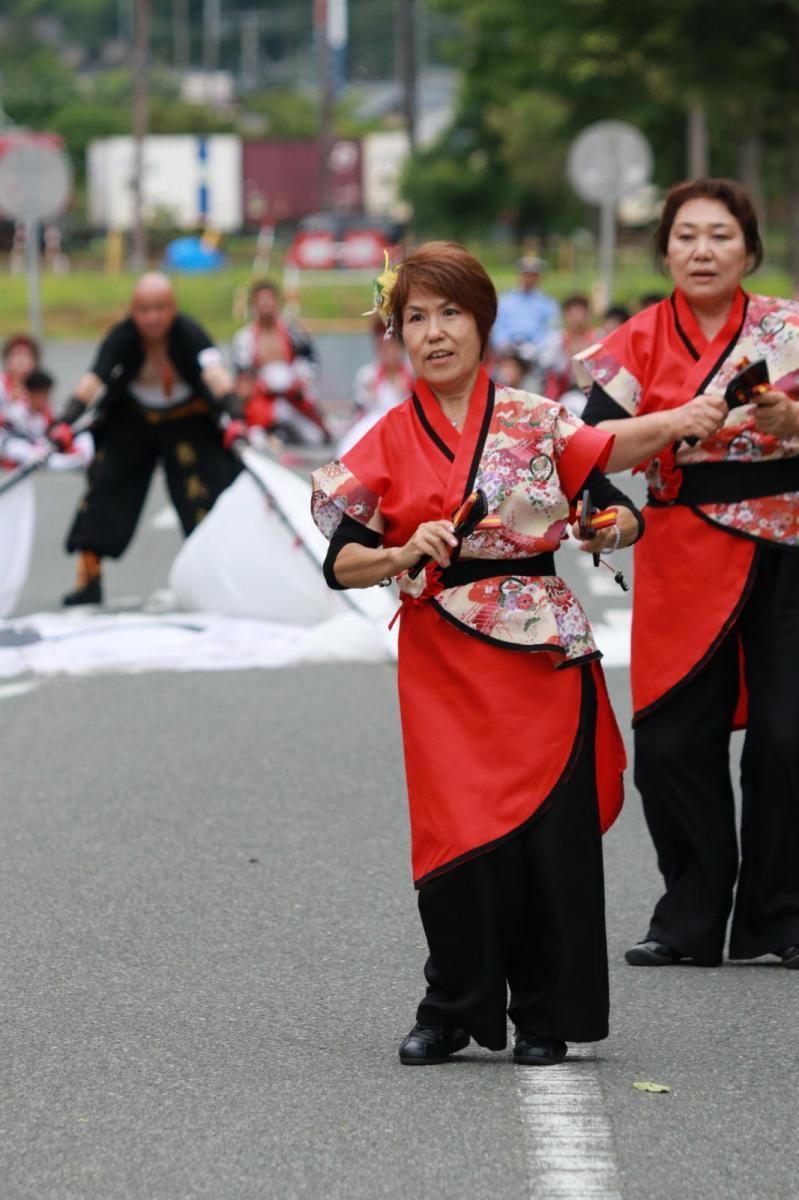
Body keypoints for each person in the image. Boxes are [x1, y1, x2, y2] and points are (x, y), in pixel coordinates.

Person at [311, 242, 643, 1066]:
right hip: (441, 656)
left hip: (540, 651)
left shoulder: (540, 418)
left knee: (549, 839)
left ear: (481, 321)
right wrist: (397, 554)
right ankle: (452, 1004)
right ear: (396, 336)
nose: (433, 332)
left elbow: (613, 509)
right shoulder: (384, 437)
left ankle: (544, 1014)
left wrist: (611, 528)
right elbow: (339, 562)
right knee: (452, 833)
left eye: (449, 313)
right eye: (414, 317)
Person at [575, 177, 799, 971]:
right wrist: (665, 431)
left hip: (785, 545)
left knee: (786, 734)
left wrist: (788, 419)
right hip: (678, 550)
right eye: (685, 236)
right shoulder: (635, 341)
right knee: (671, 740)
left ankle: (780, 917)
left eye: (720, 236)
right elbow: (590, 452)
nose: (701, 251)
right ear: (664, 248)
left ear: (749, 249)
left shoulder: (787, 328)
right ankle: (689, 914)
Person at [57, 273, 245, 606]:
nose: (152, 318)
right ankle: (89, 576)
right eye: (144, 310)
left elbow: (216, 375)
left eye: (160, 308)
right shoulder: (122, 337)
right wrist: (65, 421)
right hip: (134, 419)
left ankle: (212, 576)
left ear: (173, 308)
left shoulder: (189, 333)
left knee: (204, 496)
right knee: (105, 487)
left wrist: (236, 417)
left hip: (189, 419)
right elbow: (94, 379)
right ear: (132, 310)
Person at [231, 279, 329, 445]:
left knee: (315, 438)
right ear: (254, 305)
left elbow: (311, 363)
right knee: (256, 441)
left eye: (269, 299)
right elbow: (243, 378)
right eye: (261, 301)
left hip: (294, 400)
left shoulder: (294, 333)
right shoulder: (244, 339)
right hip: (261, 402)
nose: (265, 305)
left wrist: (301, 381)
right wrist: (258, 387)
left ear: (277, 302)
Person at [338, 315, 412, 456]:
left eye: (391, 346)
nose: (386, 352)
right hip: (373, 428)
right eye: (381, 347)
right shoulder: (367, 375)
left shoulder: (412, 376)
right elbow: (359, 412)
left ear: (400, 348)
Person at [490, 254, 560, 359]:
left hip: (536, 352)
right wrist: (503, 343)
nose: (529, 279)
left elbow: (552, 329)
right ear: (519, 275)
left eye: (533, 275)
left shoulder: (548, 303)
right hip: (507, 351)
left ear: (539, 278)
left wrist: (538, 346)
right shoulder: (504, 301)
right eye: (526, 275)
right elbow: (497, 326)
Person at [538, 294, 596, 413]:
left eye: (581, 313)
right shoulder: (557, 339)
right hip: (563, 390)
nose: (577, 318)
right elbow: (545, 364)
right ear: (566, 315)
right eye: (573, 313)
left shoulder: (597, 338)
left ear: (587, 315)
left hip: (592, 392)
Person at [0, 334, 40, 411]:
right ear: (7, 360)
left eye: (26, 355)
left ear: (34, 362)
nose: (21, 360)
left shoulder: (39, 390)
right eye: (16, 354)